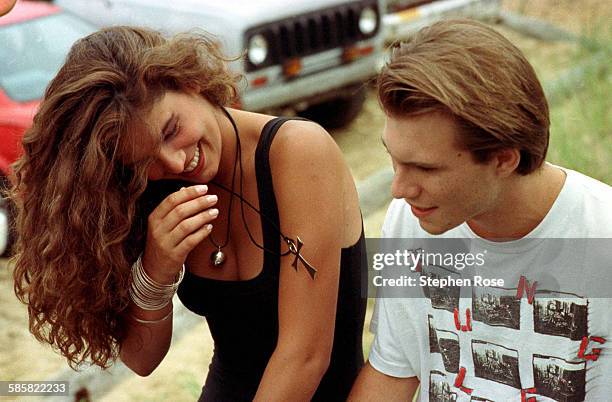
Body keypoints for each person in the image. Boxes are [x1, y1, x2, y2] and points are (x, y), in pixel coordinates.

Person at [11, 26, 366, 401]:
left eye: (170, 130)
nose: (176, 162)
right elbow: (142, 359)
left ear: (188, 80)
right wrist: (155, 270)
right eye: (145, 160)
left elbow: (306, 356)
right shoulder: (154, 188)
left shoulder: (297, 151)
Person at [348, 19, 612, 401]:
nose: (399, 189)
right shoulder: (409, 218)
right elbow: (392, 371)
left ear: (504, 159)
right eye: (394, 159)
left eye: (425, 168)